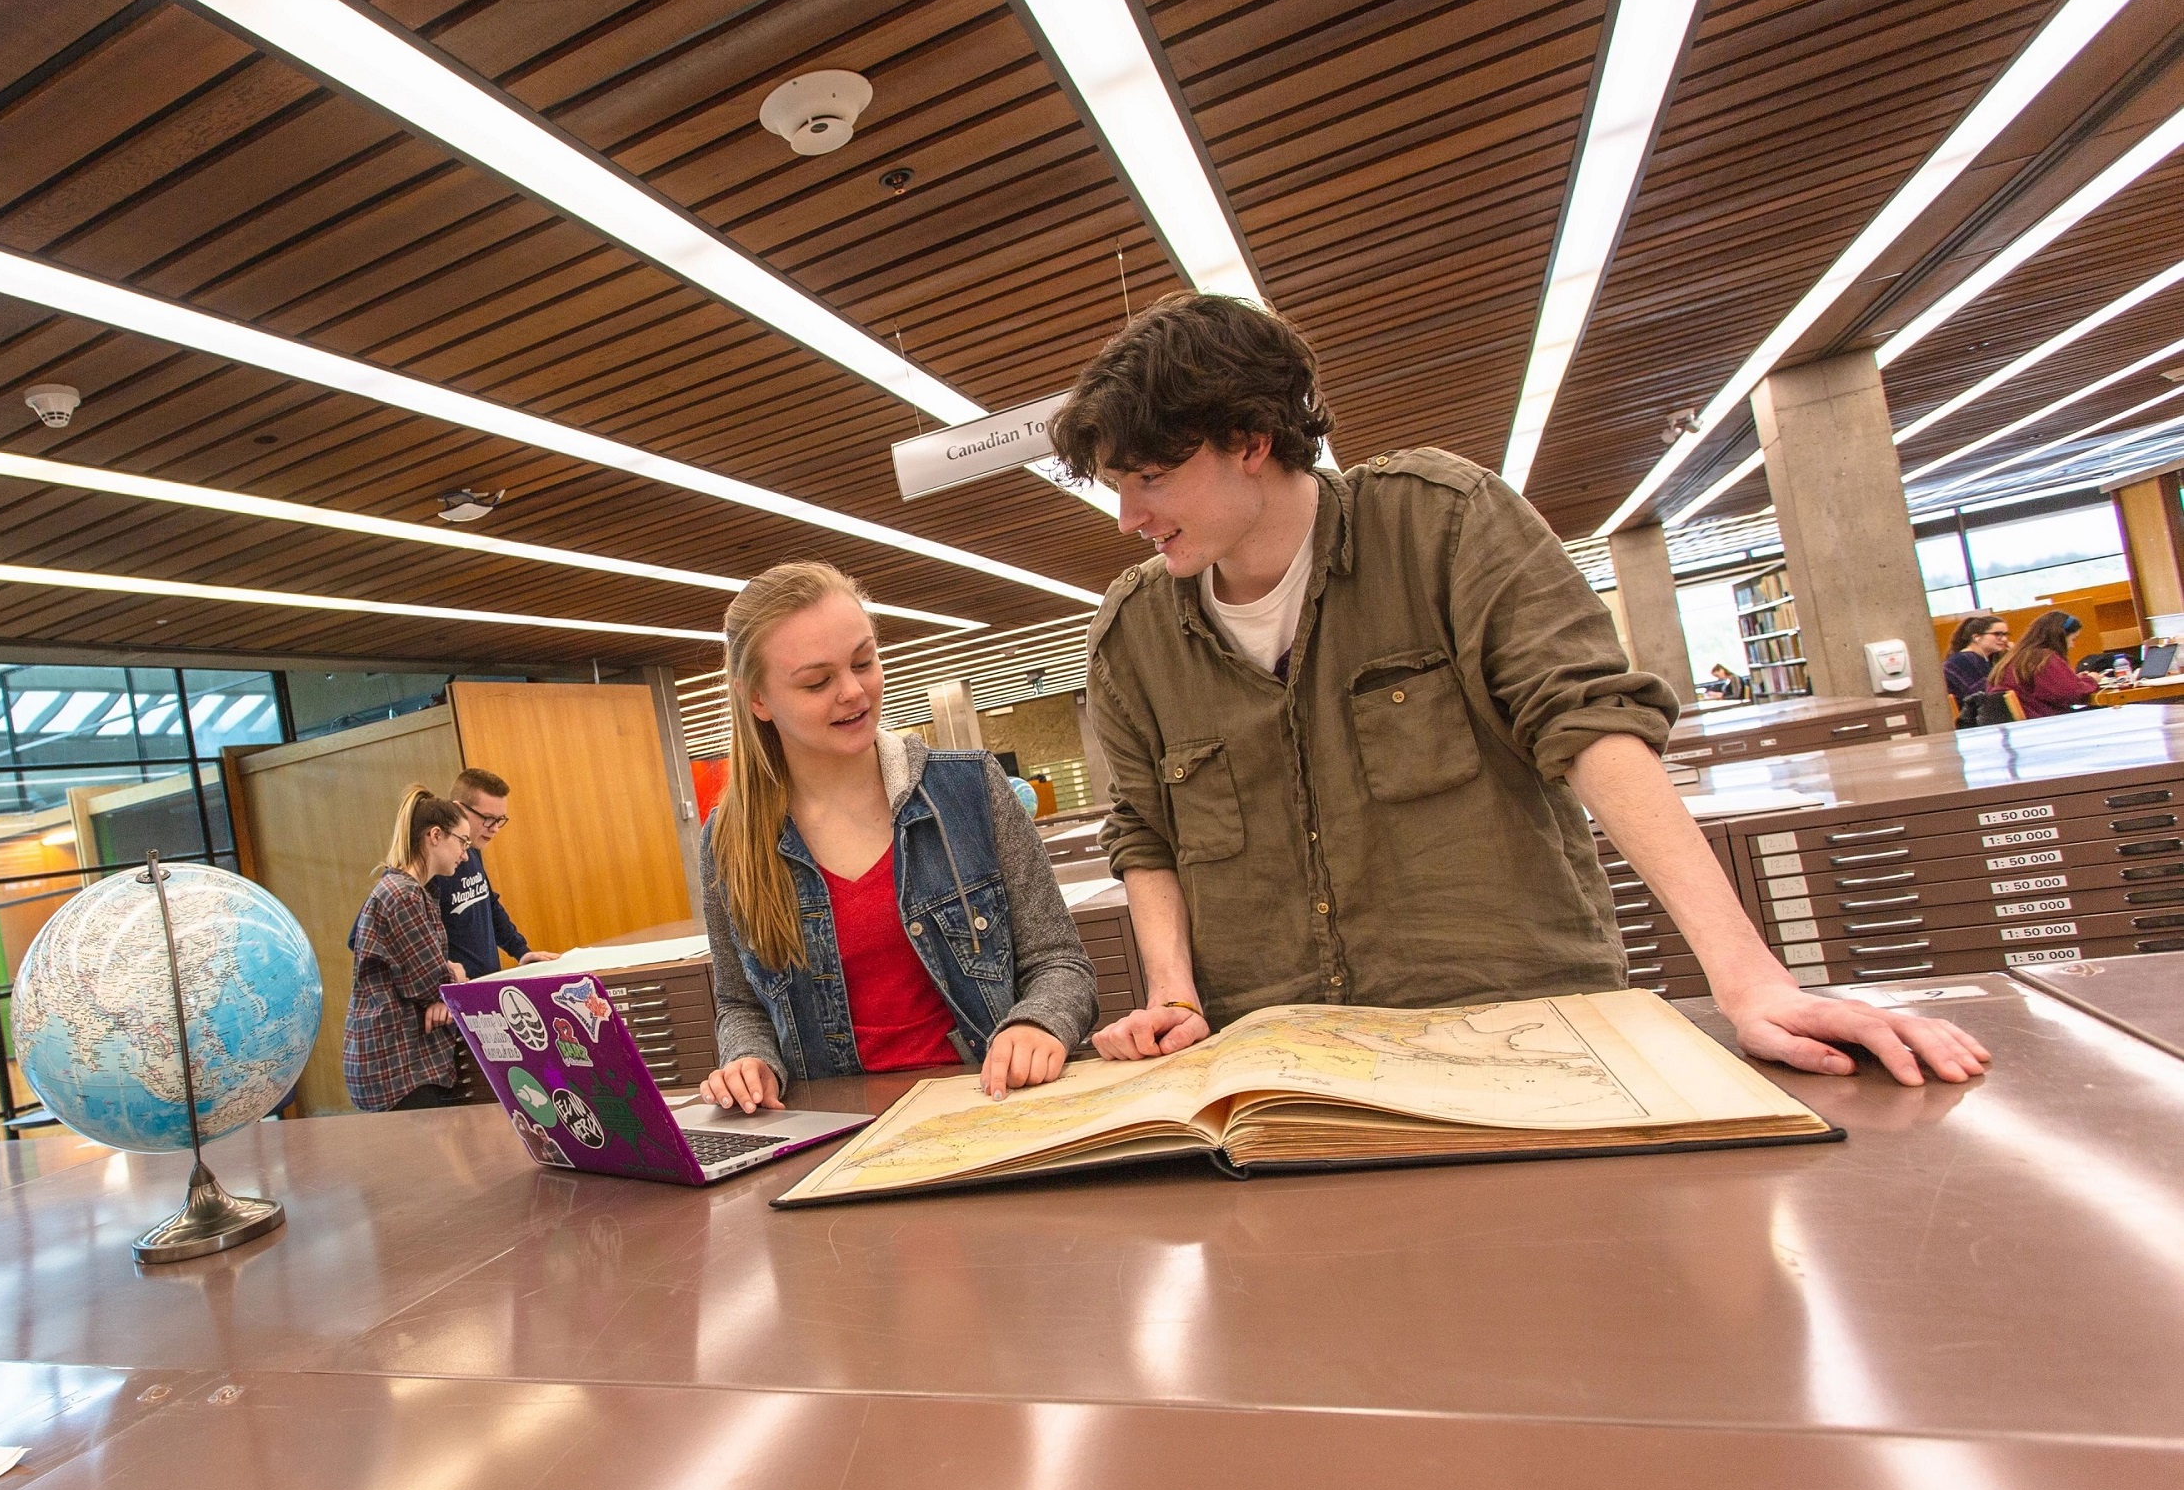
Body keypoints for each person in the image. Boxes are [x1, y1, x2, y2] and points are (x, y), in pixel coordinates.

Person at [1054, 292, 1987, 1086]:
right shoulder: (1134, 634)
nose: (1131, 517)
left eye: (1150, 478)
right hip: (1286, 1066)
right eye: (1116, 486)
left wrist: (1750, 982)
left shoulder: (1443, 526)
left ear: (1250, 440)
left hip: (1521, 1032)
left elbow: (1589, 727)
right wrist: (1172, 993)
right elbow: (1147, 832)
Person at [698, 562, 1097, 1111]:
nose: (853, 691)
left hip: (990, 1105)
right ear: (758, 700)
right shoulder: (730, 841)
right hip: (832, 1130)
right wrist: (748, 1061)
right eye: (817, 682)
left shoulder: (969, 789)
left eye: (864, 661)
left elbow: (1060, 963)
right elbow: (739, 1005)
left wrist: (1037, 1024)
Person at [344, 787, 475, 1112]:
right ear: (435, 835)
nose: (466, 854)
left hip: (400, 1062)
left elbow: (429, 982)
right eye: (462, 841)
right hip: (397, 1066)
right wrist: (449, 979)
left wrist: (441, 992)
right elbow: (428, 980)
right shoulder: (404, 894)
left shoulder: (412, 891)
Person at [429, 767, 555, 976]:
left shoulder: (473, 850)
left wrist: (520, 951)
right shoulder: (432, 866)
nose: (495, 828)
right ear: (458, 809)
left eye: (500, 820)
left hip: (485, 983)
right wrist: (438, 978)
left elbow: (489, 904)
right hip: (453, 992)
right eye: (488, 818)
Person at [1989, 612, 2099, 717]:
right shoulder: (2043, 658)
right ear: (2060, 636)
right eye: (2072, 639)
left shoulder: (2012, 657)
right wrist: (2091, 680)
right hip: (2044, 720)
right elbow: (2069, 694)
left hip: (2027, 720)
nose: (2072, 645)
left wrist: (2073, 680)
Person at [1944, 615, 2009, 706]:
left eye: (2006, 634)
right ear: (1976, 637)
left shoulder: (1986, 659)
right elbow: (1977, 696)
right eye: (1997, 634)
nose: (2004, 639)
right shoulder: (1961, 661)